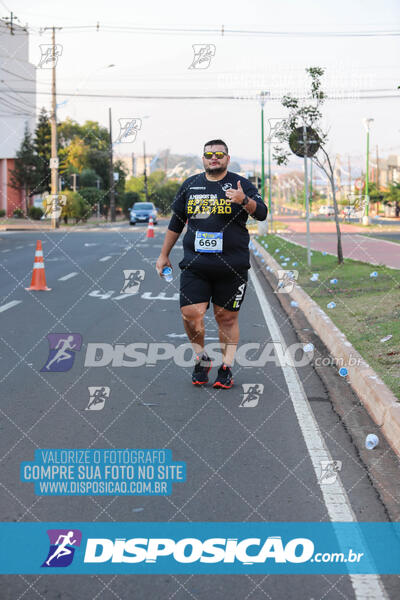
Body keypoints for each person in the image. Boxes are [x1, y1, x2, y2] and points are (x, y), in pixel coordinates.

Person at [156, 139, 267, 389]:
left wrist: (243, 200)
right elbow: (176, 222)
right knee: (190, 314)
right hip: (196, 264)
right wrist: (164, 254)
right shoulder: (191, 185)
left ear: (227, 158)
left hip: (232, 266)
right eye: (209, 154)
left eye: (219, 154)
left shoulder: (242, 184)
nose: (213, 158)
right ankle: (201, 357)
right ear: (203, 159)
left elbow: (262, 212)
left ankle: (226, 367)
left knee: (226, 318)